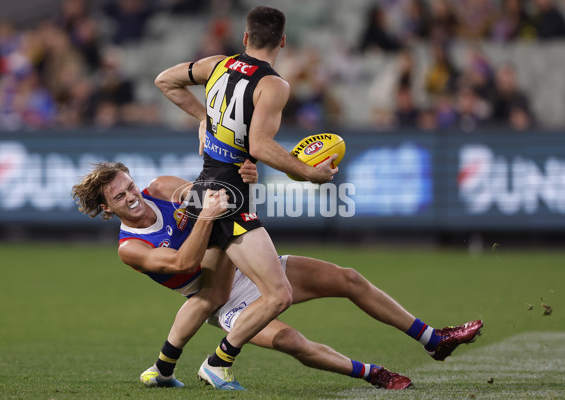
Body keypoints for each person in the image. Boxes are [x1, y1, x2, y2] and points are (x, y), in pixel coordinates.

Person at [72, 162, 484, 391]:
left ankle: (433, 339)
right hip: (221, 301)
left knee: (348, 278)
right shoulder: (131, 248)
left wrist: (216, 191)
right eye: (121, 197)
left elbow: (202, 193)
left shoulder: (159, 187)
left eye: (130, 185)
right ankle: (371, 373)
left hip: (247, 265)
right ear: (108, 209)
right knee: (291, 341)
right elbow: (183, 263)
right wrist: (207, 215)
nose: (133, 197)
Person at [153, 5, 338, 390]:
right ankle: (219, 362)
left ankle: (162, 369)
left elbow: (164, 81)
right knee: (278, 295)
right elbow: (260, 143)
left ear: (245, 37)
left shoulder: (217, 65)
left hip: (207, 189)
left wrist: (207, 118)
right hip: (230, 200)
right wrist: (308, 173)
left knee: (211, 295)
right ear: (283, 41)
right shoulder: (274, 85)